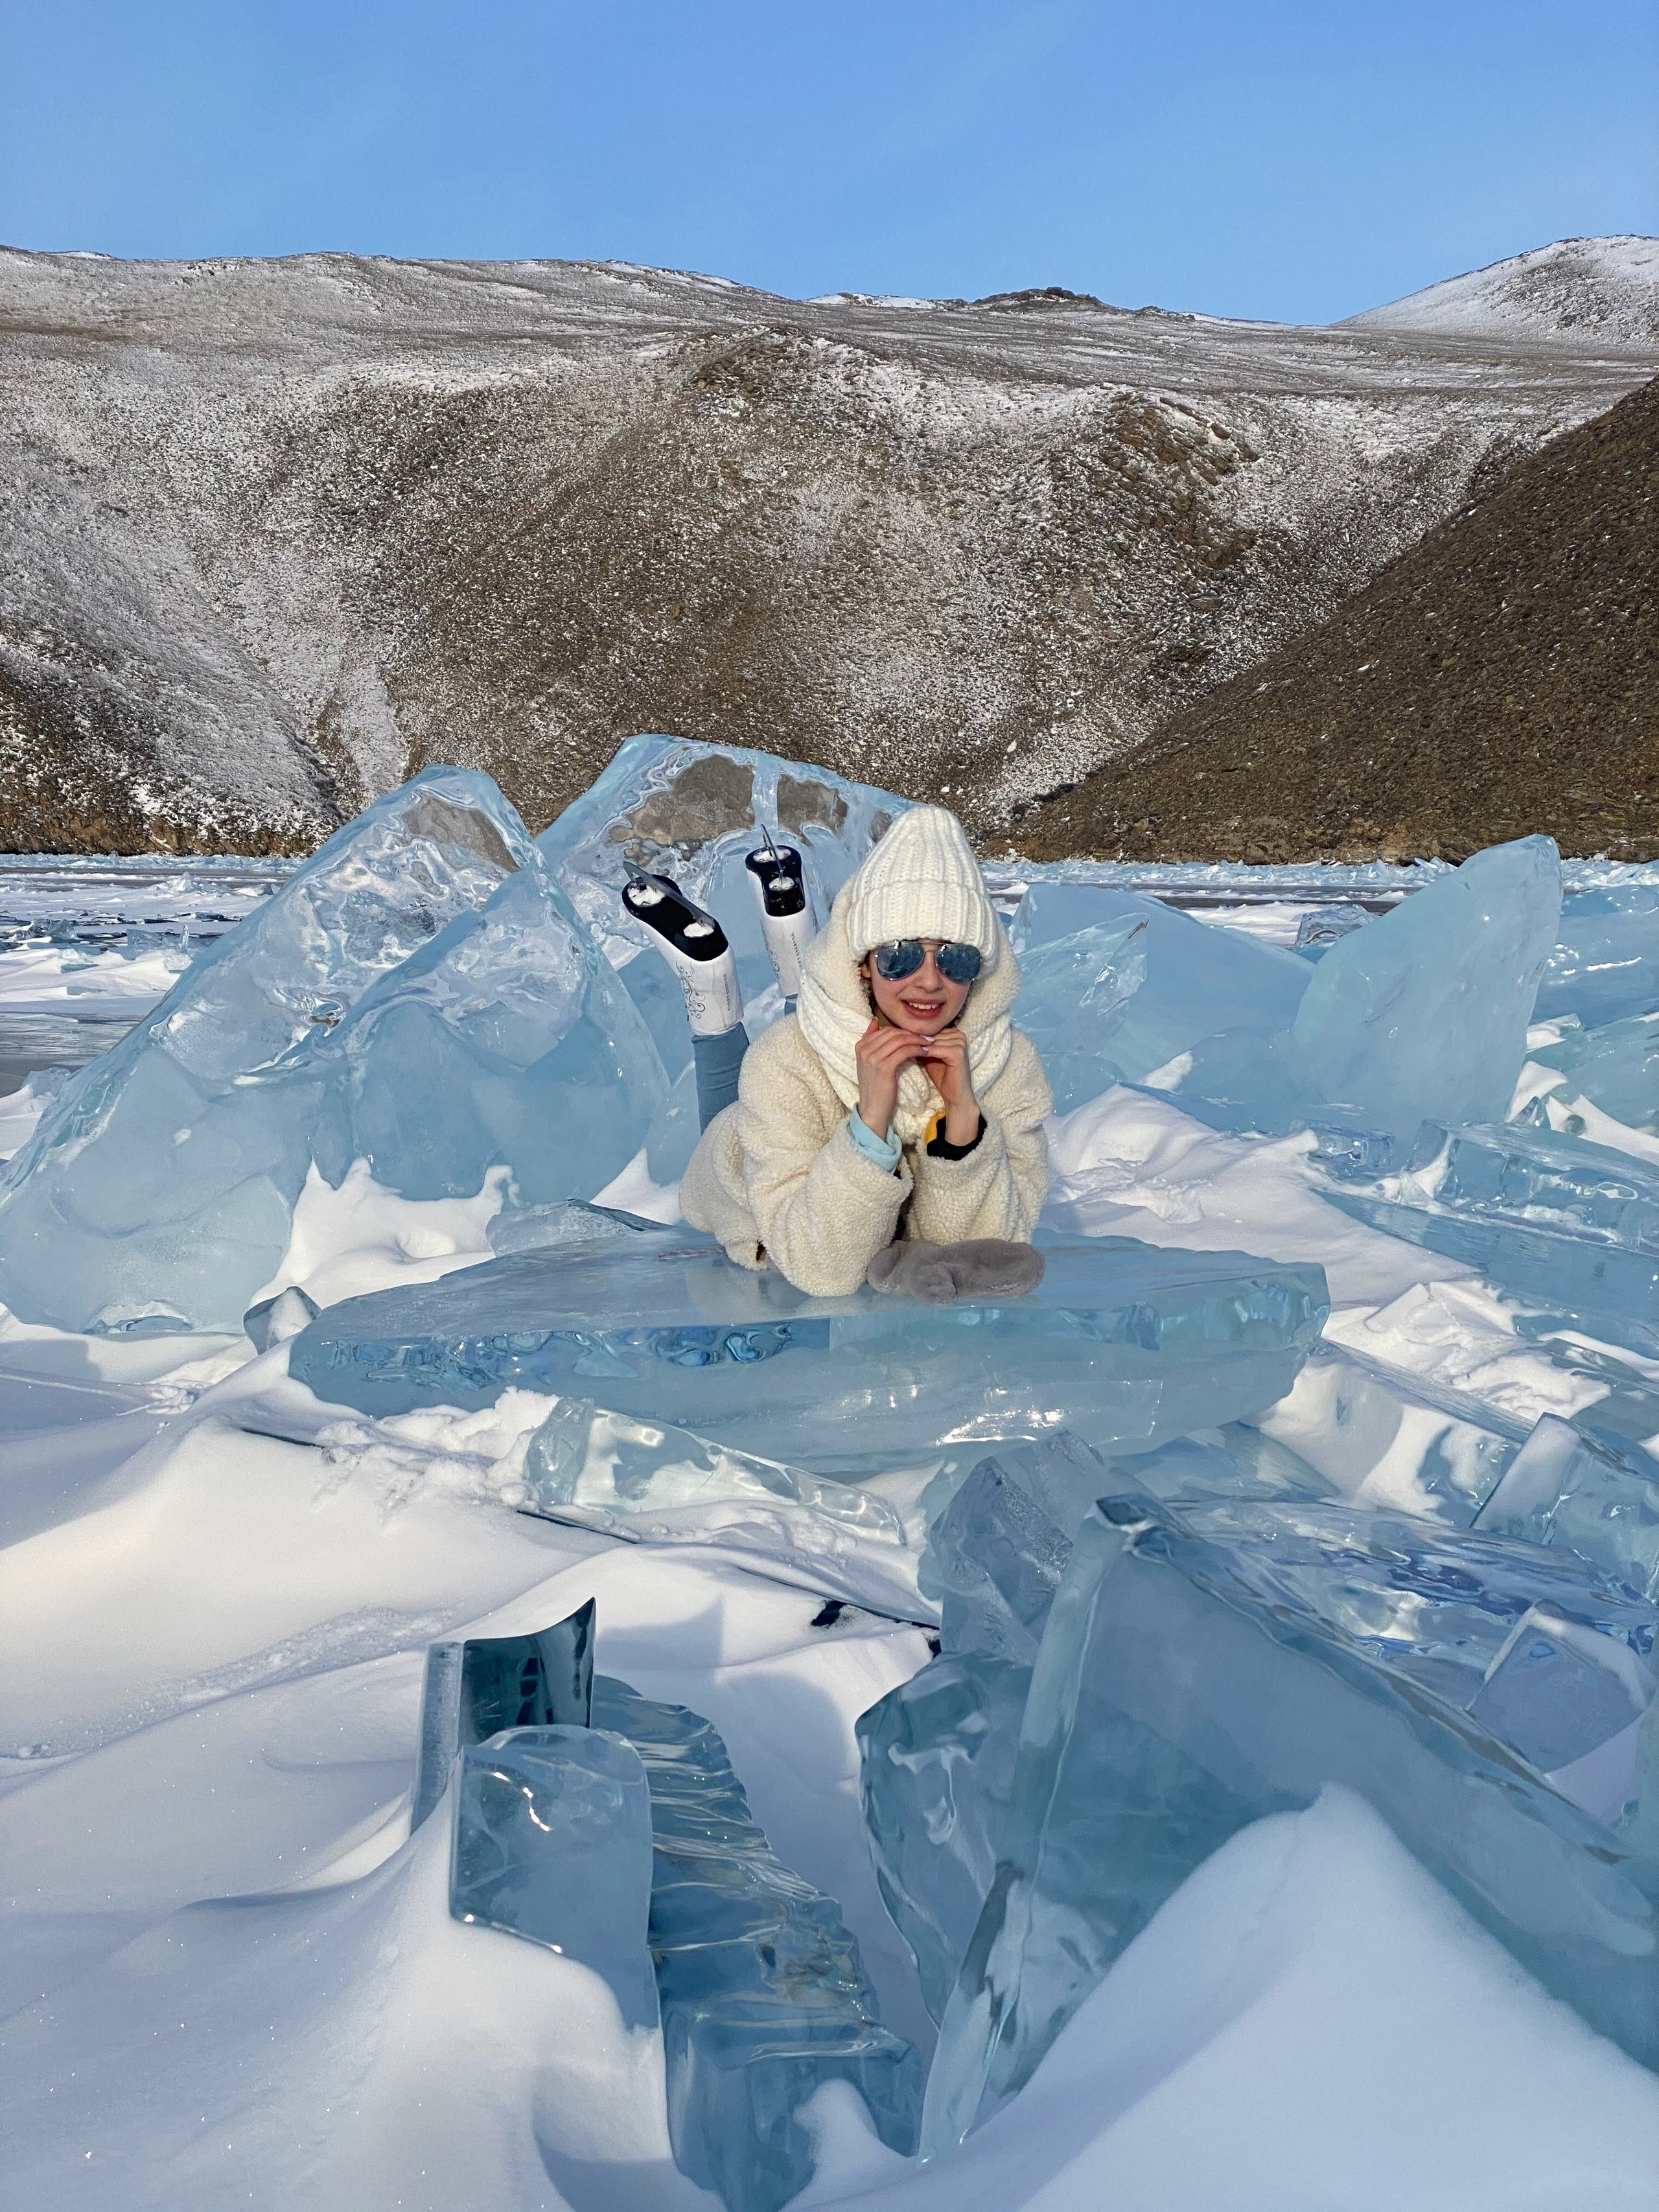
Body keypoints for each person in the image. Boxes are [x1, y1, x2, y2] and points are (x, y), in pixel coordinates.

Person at [680, 806, 1050, 1297]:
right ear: (861, 963)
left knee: (821, 1022)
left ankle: (798, 954)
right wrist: (871, 1121)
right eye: (899, 955)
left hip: (823, 1059)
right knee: (750, 1084)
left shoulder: (1011, 1066)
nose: (930, 980)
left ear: (978, 971)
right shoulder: (782, 1063)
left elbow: (985, 1260)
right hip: (731, 1170)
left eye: (956, 957)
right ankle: (712, 994)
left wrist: (962, 1122)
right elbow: (825, 1272)